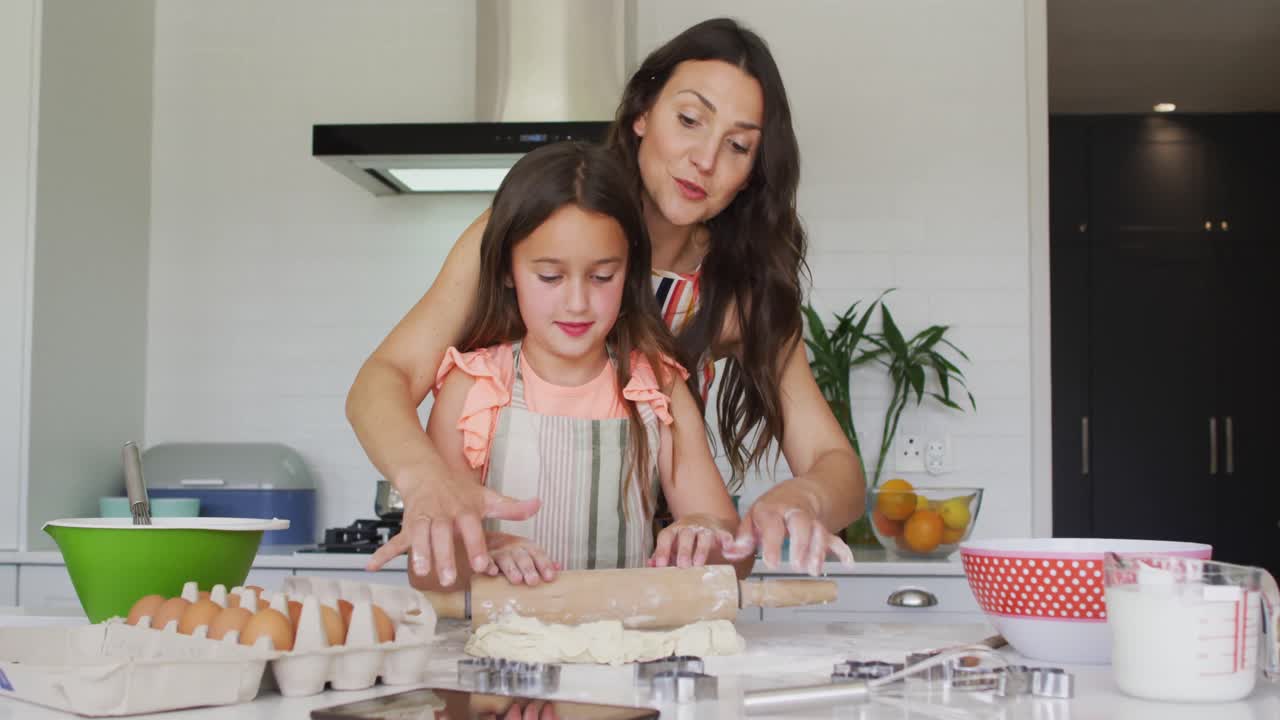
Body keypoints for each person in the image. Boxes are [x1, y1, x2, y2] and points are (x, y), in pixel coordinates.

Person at [350, 18, 863, 586]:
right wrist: (427, 480)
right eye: (689, 120)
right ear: (642, 113)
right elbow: (385, 377)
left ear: (752, 173)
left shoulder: (736, 291)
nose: (706, 159)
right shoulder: (530, 228)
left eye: (738, 145)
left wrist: (804, 497)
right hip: (499, 594)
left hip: (647, 586)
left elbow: (833, 464)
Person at [407, 141, 750, 591]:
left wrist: (703, 535)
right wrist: (487, 552)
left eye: (602, 276)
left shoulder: (656, 387)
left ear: (629, 272)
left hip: (624, 649)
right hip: (497, 656)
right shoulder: (475, 389)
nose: (577, 302)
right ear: (508, 270)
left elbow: (732, 552)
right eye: (550, 276)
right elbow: (427, 569)